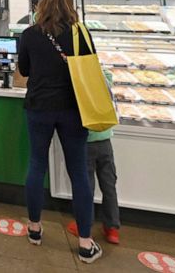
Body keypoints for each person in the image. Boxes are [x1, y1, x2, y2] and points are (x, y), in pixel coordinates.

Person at [17, 0, 103, 264]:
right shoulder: (81, 33)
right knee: (78, 171)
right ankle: (86, 243)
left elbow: (25, 70)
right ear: (69, 7)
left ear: (41, 8)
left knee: (36, 164)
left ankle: (34, 229)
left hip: (39, 107)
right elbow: (91, 69)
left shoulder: (30, 34)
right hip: (73, 110)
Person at [67, 67, 121, 245]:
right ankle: (112, 227)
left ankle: (85, 225)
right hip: (105, 138)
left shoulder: (79, 77)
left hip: (87, 141)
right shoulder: (103, 74)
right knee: (109, 184)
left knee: (86, 185)